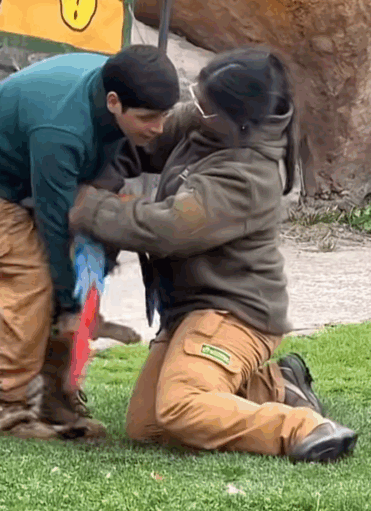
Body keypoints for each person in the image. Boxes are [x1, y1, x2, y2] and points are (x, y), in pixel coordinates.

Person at [67, 47, 359, 463]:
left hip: (234, 312)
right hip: (191, 308)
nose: (190, 109)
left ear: (237, 118)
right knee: (147, 427)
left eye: (205, 105)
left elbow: (167, 228)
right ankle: (276, 386)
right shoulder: (209, 123)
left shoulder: (248, 177)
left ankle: (303, 428)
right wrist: (92, 163)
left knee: (181, 406)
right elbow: (144, 141)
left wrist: (89, 206)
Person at [0, 44, 181, 430]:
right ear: (114, 102)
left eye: (165, 115)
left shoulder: (116, 86)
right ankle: (7, 406)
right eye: (150, 117)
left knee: (69, 265)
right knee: (31, 283)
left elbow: (107, 169)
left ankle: (50, 394)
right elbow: (56, 225)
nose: (160, 127)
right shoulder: (61, 132)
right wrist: (70, 307)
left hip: (26, 167)